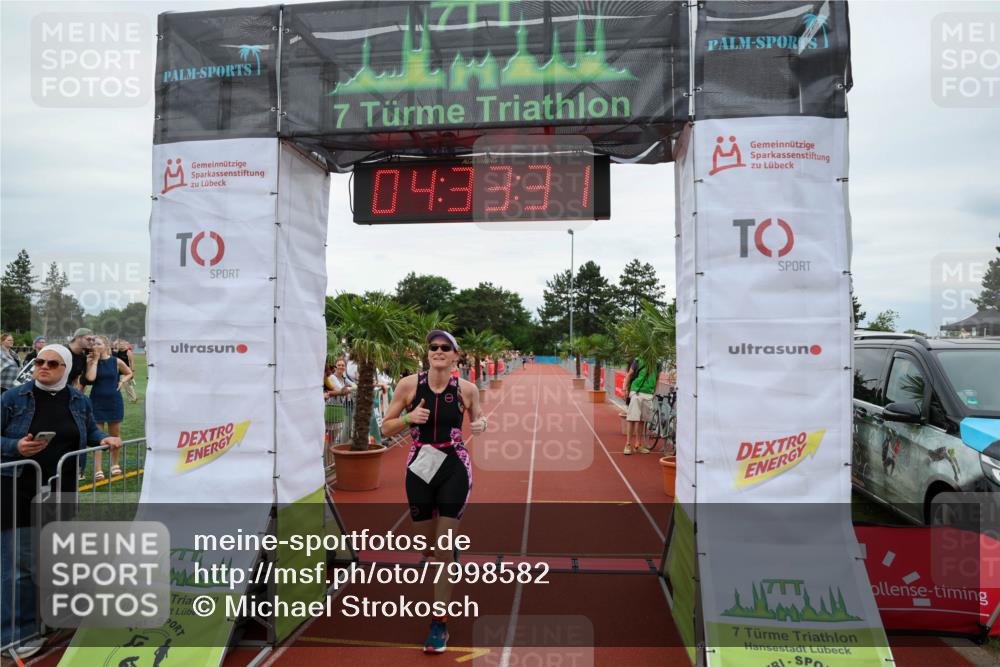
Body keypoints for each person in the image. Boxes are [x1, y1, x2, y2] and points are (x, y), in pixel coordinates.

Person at [1, 344, 121, 656]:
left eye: (53, 364)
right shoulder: (14, 398)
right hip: (18, 490)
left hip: (62, 490)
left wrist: (102, 438)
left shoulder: (78, 399)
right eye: (40, 362)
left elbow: (89, 429)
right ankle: (16, 635)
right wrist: (15, 447)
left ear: (66, 369)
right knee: (19, 566)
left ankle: (49, 620)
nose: (44, 367)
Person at [381, 330, 487, 654]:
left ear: (456, 356)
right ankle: (445, 553)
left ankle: (439, 622)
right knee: (426, 546)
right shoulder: (409, 386)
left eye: (445, 347)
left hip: (455, 466)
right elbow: (385, 427)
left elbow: (478, 419)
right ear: (427, 354)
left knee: (442, 549)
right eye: (433, 347)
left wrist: (480, 425)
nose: (438, 351)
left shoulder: (467, 390)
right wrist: (409, 418)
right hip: (420, 466)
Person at [86, 336, 133, 481]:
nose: (95, 346)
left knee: (115, 435)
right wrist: (94, 360)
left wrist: (122, 380)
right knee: (98, 437)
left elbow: (129, 373)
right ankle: (98, 469)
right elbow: (90, 379)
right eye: (93, 344)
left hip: (114, 402)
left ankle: (114, 464)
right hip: (96, 402)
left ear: (106, 345)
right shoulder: (91, 361)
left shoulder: (116, 361)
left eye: (98, 344)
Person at [623, 356, 658, 455]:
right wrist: (624, 389)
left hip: (648, 394)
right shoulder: (638, 360)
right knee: (632, 418)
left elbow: (657, 378)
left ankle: (638, 444)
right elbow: (629, 374)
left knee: (642, 420)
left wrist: (654, 392)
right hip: (637, 392)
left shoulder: (657, 363)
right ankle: (628, 444)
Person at [324, 358, 355, 445]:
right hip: (330, 408)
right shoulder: (332, 377)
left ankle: (330, 457)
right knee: (328, 437)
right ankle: (326, 457)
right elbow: (341, 390)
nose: (341, 367)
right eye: (339, 365)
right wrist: (348, 389)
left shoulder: (344, 378)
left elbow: (354, 386)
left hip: (339, 409)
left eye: (343, 365)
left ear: (345, 367)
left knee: (332, 438)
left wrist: (349, 388)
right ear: (335, 367)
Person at [113, 338, 138, 403]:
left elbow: (132, 362)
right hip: (118, 371)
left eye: (122, 344)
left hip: (126, 372)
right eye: (119, 344)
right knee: (117, 385)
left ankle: (133, 399)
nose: (121, 345)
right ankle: (116, 399)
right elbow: (111, 348)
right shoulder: (116, 352)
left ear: (125, 345)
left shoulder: (128, 352)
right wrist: (115, 343)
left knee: (128, 386)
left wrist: (132, 371)